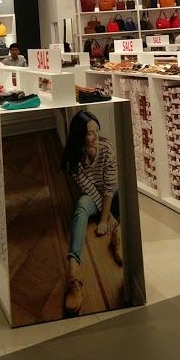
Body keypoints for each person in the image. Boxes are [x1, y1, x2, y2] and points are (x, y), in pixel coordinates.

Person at [61, 111, 122, 316]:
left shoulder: (108, 149)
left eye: (96, 130)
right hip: (95, 196)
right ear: (80, 135)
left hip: (112, 194)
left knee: (125, 195)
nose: (95, 136)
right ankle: (73, 272)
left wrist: (104, 220)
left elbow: (109, 189)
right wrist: (108, 217)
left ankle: (118, 236)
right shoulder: (73, 158)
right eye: (89, 133)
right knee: (81, 206)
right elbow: (90, 189)